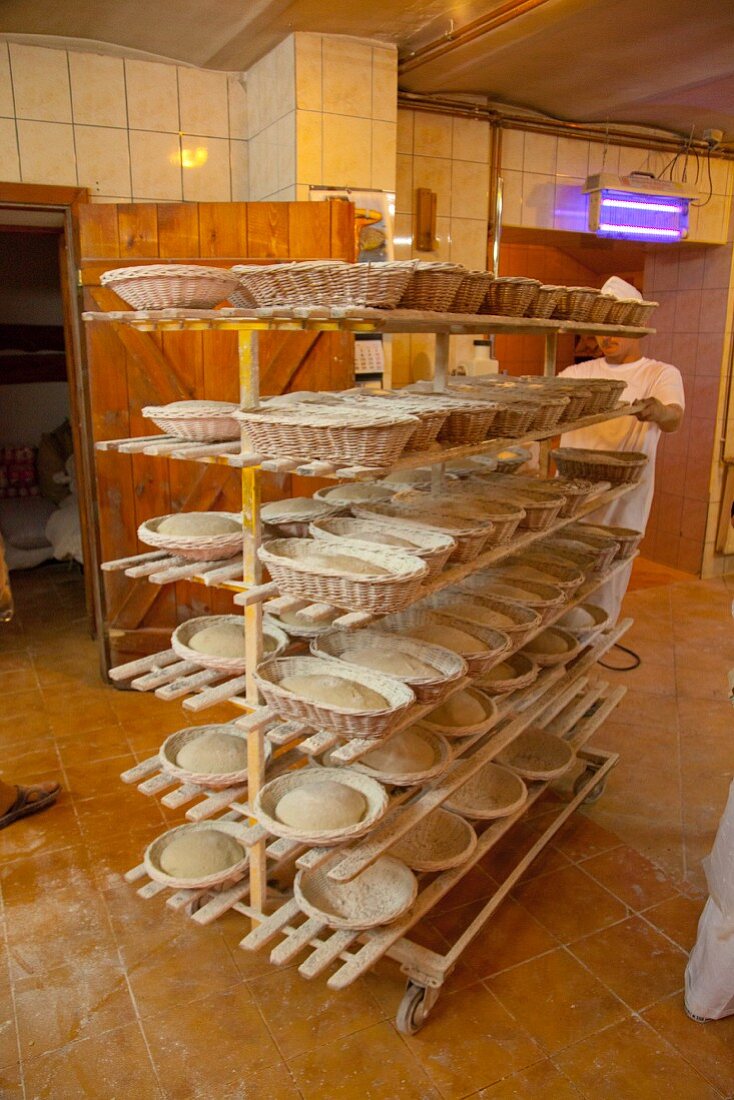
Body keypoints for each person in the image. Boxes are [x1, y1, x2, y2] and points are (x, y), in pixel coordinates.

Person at [557, 276, 685, 621]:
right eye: (602, 327)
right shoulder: (575, 374)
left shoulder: (660, 374)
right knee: (564, 564)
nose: (606, 337)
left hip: (624, 495)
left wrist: (657, 410)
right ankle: (564, 638)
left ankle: (593, 637)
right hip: (574, 492)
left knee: (608, 570)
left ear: (639, 327)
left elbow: (674, 417)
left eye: (617, 327)